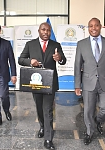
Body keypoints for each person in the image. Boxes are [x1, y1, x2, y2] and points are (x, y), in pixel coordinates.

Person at [18, 22, 66, 150]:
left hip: (50, 84)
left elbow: (63, 60)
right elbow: (20, 59)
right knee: (39, 108)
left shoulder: (56, 45)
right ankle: (42, 126)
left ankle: (48, 139)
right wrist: (30, 62)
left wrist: (59, 57)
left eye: (48, 30)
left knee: (48, 109)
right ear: (39, 31)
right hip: (37, 83)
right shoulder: (30, 44)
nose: (46, 32)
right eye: (43, 30)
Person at [74, 18, 105, 145]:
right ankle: (89, 131)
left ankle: (98, 120)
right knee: (88, 110)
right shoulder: (81, 44)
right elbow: (77, 65)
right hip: (88, 81)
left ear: (100, 27)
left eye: (96, 25)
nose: (93, 28)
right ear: (88, 28)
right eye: (90, 26)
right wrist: (77, 85)